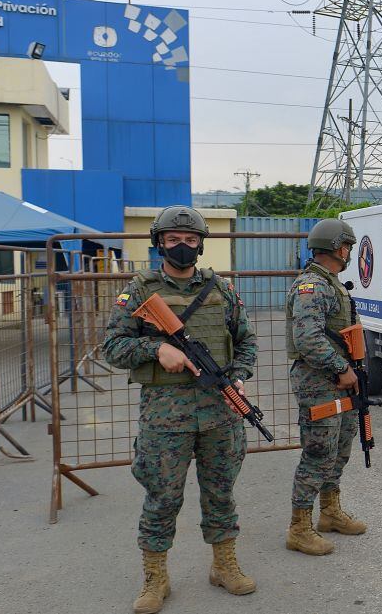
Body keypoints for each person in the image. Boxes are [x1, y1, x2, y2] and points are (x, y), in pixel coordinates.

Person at [103, 206, 258, 614]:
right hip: (165, 417)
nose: (183, 247)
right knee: (162, 497)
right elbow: (113, 348)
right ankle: (155, 578)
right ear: (159, 243)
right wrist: (158, 348)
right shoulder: (139, 290)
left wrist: (238, 375)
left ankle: (224, 565)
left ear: (201, 244)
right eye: (174, 240)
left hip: (220, 414)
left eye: (190, 240)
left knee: (221, 494)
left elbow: (246, 341)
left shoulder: (221, 289)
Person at [285, 218, 367, 556]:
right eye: (347, 246)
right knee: (318, 453)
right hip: (319, 382)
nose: (348, 252)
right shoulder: (312, 286)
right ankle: (299, 528)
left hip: (340, 382)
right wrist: (340, 368)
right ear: (337, 247)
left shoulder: (331, 284)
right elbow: (307, 339)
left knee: (339, 448)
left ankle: (330, 513)